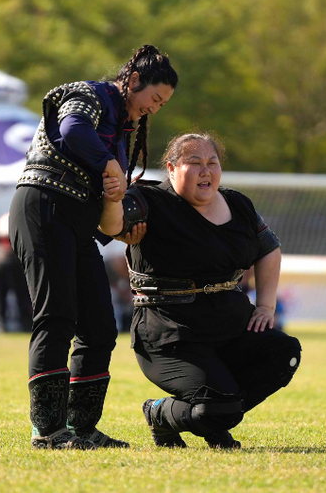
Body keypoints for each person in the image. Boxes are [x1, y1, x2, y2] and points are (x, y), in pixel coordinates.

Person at [9, 45, 178, 449]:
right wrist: (109, 165)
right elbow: (71, 130)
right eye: (154, 99)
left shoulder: (121, 133)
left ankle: (80, 427)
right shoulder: (90, 94)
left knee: (100, 328)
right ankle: (48, 431)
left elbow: (108, 206)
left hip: (76, 225)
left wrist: (123, 228)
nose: (153, 109)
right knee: (57, 316)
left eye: (162, 105)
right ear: (133, 81)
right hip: (42, 208)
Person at [99, 133, 302, 449]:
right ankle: (162, 413)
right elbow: (112, 227)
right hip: (170, 334)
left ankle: (216, 415)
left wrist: (266, 306)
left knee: (283, 354)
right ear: (171, 168)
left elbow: (269, 249)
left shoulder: (237, 203)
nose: (205, 171)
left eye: (212, 162)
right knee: (217, 406)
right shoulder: (148, 199)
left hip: (230, 323)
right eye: (194, 163)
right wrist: (112, 199)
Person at [0, 212, 33, 332]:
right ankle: (5, 323)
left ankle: (23, 323)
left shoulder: (5, 219)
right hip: (8, 262)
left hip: (13, 262)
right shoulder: (10, 219)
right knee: (5, 295)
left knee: (21, 296)